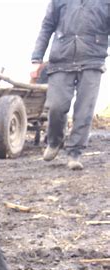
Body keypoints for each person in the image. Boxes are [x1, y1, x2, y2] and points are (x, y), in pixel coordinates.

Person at [30, 0, 110, 170]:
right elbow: (47, 27)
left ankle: (74, 153)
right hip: (61, 59)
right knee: (56, 106)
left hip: (92, 59)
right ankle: (54, 141)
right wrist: (37, 59)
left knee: (84, 110)